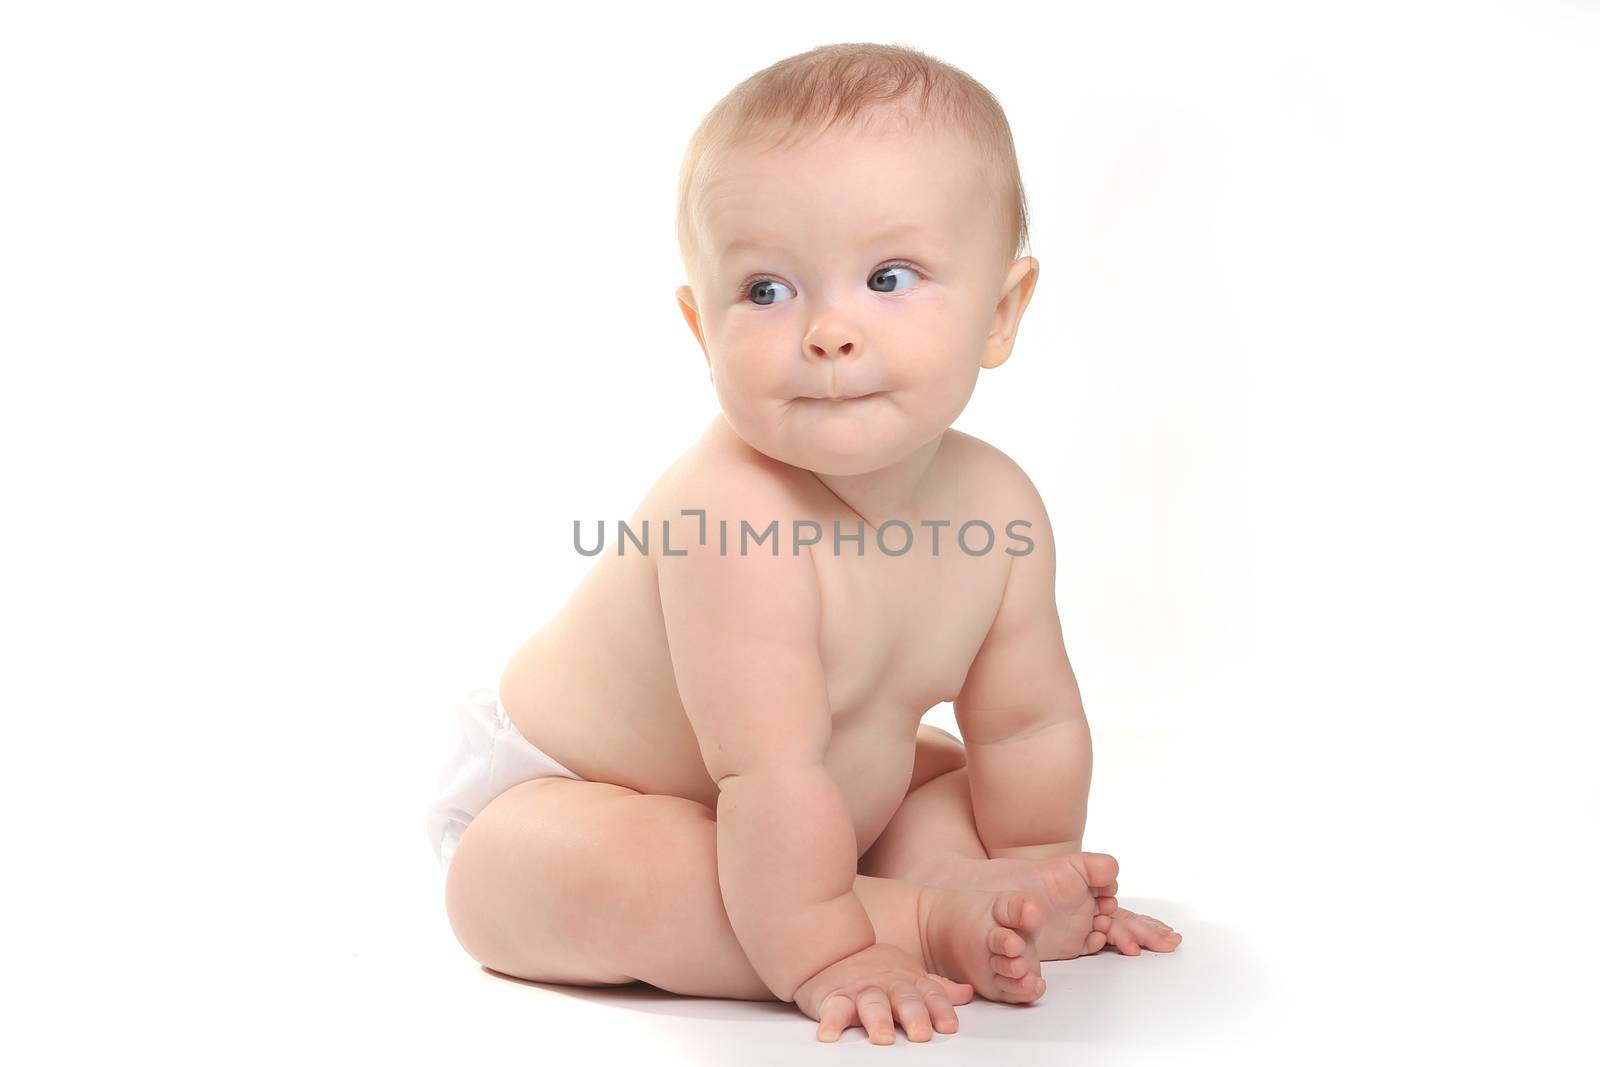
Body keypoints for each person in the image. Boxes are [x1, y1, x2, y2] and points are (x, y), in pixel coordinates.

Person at [426, 41, 1180, 1046]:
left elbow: (1028, 726)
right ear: (702, 331)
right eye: (768, 292)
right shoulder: (733, 520)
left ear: (1000, 311)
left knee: (945, 771)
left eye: (888, 276)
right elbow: (768, 775)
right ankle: (914, 915)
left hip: (807, 813)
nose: (828, 330)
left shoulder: (997, 505)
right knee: (643, 874)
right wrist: (833, 953)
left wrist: (1040, 873)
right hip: (567, 799)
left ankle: (960, 893)